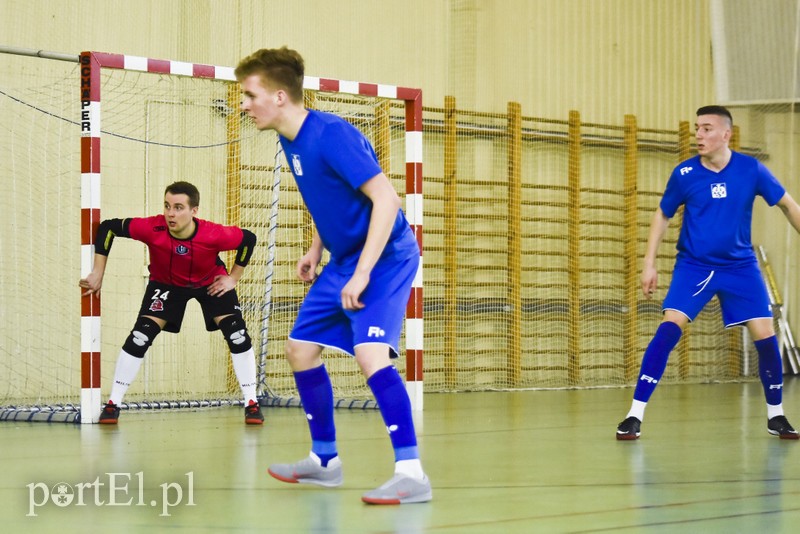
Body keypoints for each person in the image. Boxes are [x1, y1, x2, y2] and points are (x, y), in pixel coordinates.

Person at [235, 47, 431, 504]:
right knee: (300, 349)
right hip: (344, 256)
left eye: (249, 94)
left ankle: (412, 472)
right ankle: (324, 462)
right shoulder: (289, 136)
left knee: (369, 353)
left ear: (279, 96)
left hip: (385, 257)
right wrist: (317, 246)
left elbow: (387, 201)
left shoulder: (332, 135)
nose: (244, 104)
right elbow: (331, 196)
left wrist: (362, 273)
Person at [616, 105, 800, 441]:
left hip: (740, 267)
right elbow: (662, 215)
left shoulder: (751, 170)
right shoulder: (684, 174)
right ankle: (634, 415)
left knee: (765, 333)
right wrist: (649, 262)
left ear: (726, 134)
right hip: (695, 265)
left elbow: (788, 205)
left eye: (707, 129)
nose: (699, 135)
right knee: (669, 328)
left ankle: (777, 416)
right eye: (697, 129)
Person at [78, 181, 263, 426]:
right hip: (166, 284)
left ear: (194, 211)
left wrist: (233, 278)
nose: (170, 213)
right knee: (140, 337)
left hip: (211, 283)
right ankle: (113, 404)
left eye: (178, 207)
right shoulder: (151, 227)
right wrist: (98, 272)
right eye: (167, 206)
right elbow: (108, 229)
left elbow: (248, 239)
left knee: (237, 334)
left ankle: (251, 403)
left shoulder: (213, 234)